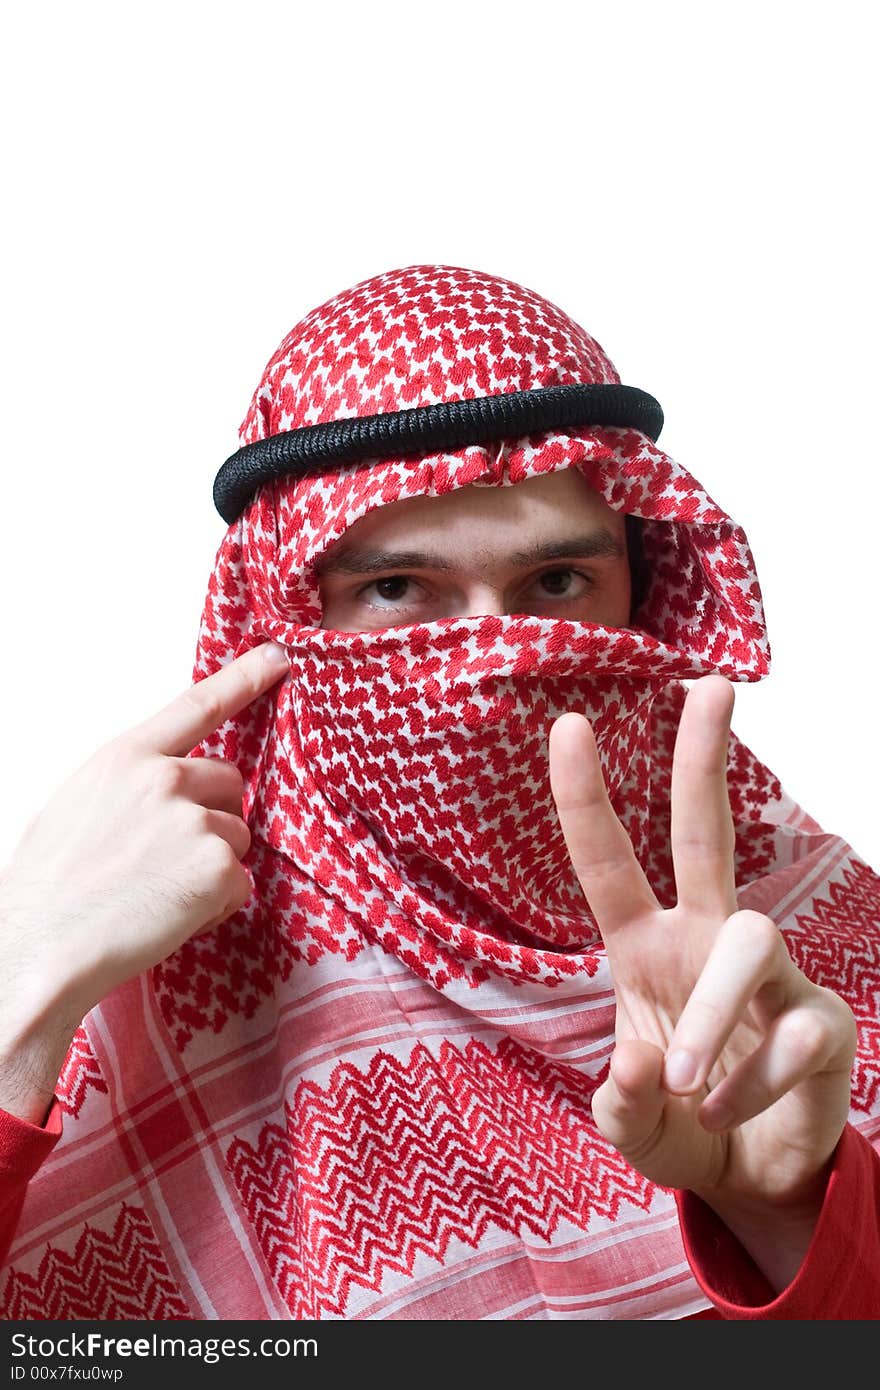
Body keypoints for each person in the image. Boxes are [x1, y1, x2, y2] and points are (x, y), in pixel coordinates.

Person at [0, 263, 878, 1321]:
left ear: (645, 587)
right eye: (394, 589)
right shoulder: (133, 970)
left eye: (556, 584)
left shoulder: (795, 934)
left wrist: (786, 1216)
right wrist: (21, 986)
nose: (485, 664)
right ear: (285, 615)